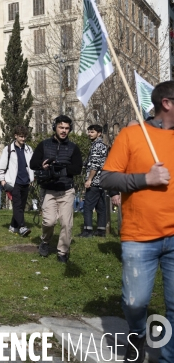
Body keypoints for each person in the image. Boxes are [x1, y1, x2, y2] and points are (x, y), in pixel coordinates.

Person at [100, 81, 174, 362]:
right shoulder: (132, 135)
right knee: (135, 302)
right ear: (166, 103)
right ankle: (136, 333)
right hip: (139, 236)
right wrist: (146, 179)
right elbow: (107, 178)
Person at [30, 115, 83, 263]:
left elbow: (78, 168)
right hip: (49, 189)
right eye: (61, 127)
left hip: (66, 190)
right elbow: (32, 163)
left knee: (66, 223)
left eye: (66, 128)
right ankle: (45, 241)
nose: (64, 131)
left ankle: (62, 252)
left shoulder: (73, 148)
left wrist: (64, 170)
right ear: (55, 127)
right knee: (49, 221)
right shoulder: (44, 145)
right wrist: (43, 164)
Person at [0, 125, 35, 237]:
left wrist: (32, 178)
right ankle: (22, 227)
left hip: (26, 182)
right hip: (14, 182)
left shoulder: (29, 149)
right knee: (17, 205)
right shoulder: (8, 149)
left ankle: (13, 226)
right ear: (16, 136)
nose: (23, 139)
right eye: (21, 136)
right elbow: (1, 167)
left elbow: (31, 165)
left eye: (25, 137)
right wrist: (2, 180)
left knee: (21, 206)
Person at [80, 124, 108, 238]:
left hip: (95, 180)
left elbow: (95, 165)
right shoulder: (102, 145)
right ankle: (101, 230)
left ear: (99, 133)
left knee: (88, 206)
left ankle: (87, 230)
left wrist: (89, 179)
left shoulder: (97, 146)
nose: (89, 134)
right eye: (89, 131)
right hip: (102, 181)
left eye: (92, 132)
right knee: (101, 206)